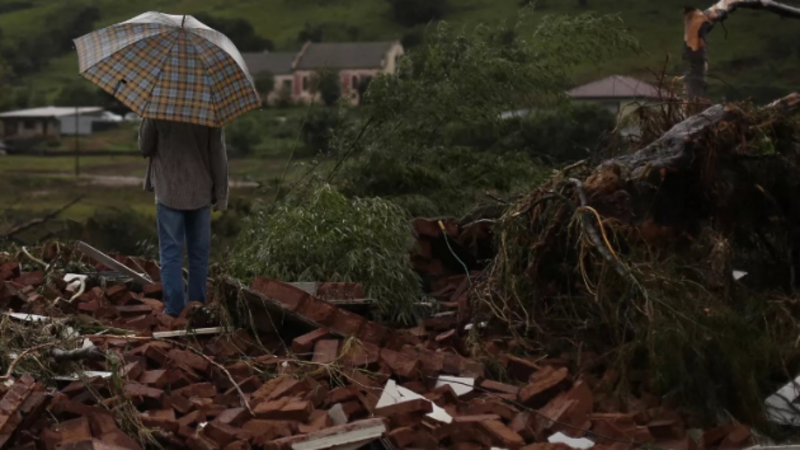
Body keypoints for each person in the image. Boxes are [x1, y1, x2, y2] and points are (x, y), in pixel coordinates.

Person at [138, 118, 228, 317]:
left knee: (170, 252)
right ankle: (196, 307)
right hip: (200, 190)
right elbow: (218, 154)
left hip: (168, 190)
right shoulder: (209, 111)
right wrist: (221, 196)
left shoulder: (158, 108)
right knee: (199, 254)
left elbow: (144, 147)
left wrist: (146, 118)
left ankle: (174, 309)